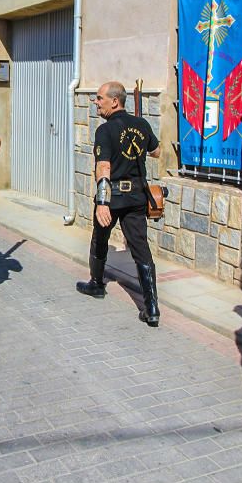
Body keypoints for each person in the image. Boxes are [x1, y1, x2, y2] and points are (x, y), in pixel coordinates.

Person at [76, 81, 162, 326]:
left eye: (100, 98)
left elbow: (103, 166)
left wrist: (102, 203)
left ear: (115, 101)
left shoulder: (105, 130)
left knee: (100, 238)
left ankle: (96, 284)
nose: (96, 102)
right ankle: (152, 307)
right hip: (136, 196)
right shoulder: (142, 125)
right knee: (140, 247)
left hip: (113, 197)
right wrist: (139, 135)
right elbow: (156, 151)